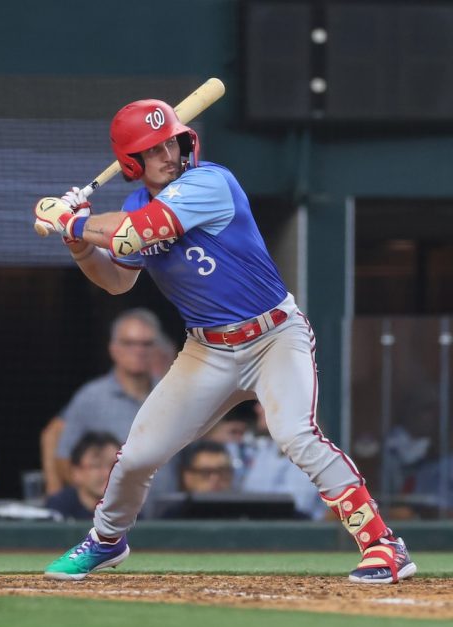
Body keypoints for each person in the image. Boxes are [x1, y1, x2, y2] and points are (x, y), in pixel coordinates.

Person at [35, 98, 415, 584]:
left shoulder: (210, 182)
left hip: (273, 335)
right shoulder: (132, 206)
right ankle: (107, 540)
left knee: (296, 435)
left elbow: (135, 235)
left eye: (171, 142)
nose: (168, 154)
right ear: (132, 162)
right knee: (137, 456)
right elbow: (116, 280)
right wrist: (79, 245)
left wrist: (72, 221)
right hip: (207, 349)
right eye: (153, 149)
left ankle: (383, 544)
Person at [40, 309, 164, 495]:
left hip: (169, 508)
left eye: (146, 344)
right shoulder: (91, 397)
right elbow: (63, 456)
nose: (139, 350)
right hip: (113, 510)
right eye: (129, 343)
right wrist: (86, 498)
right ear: (113, 349)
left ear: (157, 349)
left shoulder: (173, 395)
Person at [240, 402, 327, 520]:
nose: (257, 409)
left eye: (264, 401)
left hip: (295, 529)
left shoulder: (309, 451)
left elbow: (295, 508)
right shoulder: (266, 448)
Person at [45, 432, 121, 520]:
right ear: (76, 472)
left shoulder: (130, 508)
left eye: (114, 465)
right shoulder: (57, 510)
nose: (107, 473)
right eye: (96, 466)